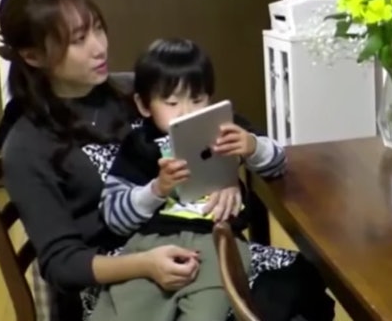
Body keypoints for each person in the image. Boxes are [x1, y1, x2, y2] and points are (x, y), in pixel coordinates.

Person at [0, 0, 334, 320]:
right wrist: (145, 264)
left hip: (198, 243)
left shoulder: (135, 90)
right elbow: (62, 264)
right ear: (33, 56)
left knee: (302, 279)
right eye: (78, 40)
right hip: (113, 280)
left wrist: (224, 174)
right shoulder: (26, 145)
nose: (99, 47)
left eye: (98, 28)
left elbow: (231, 134)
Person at [89, 38, 283, 321]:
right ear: (144, 105)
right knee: (126, 307)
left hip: (218, 240)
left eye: (197, 99)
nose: (186, 112)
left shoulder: (225, 128)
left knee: (207, 311)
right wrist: (156, 189)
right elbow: (114, 217)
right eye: (171, 102)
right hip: (151, 243)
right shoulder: (140, 144)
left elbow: (278, 163)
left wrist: (253, 146)